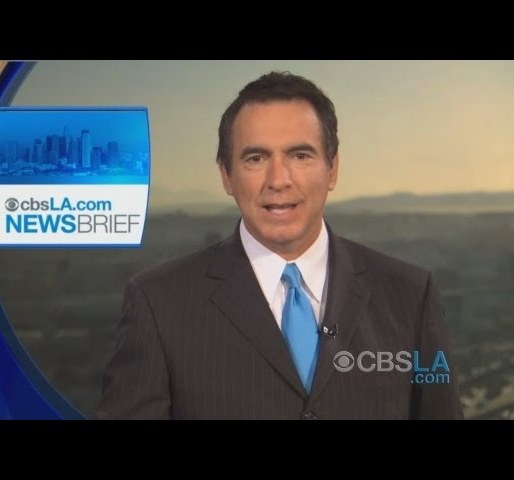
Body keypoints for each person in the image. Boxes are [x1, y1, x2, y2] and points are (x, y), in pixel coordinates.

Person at [94, 71, 464, 419]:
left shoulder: (410, 295)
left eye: (300, 155)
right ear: (226, 175)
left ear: (333, 169)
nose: (278, 180)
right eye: (256, 158)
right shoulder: (158, 304)